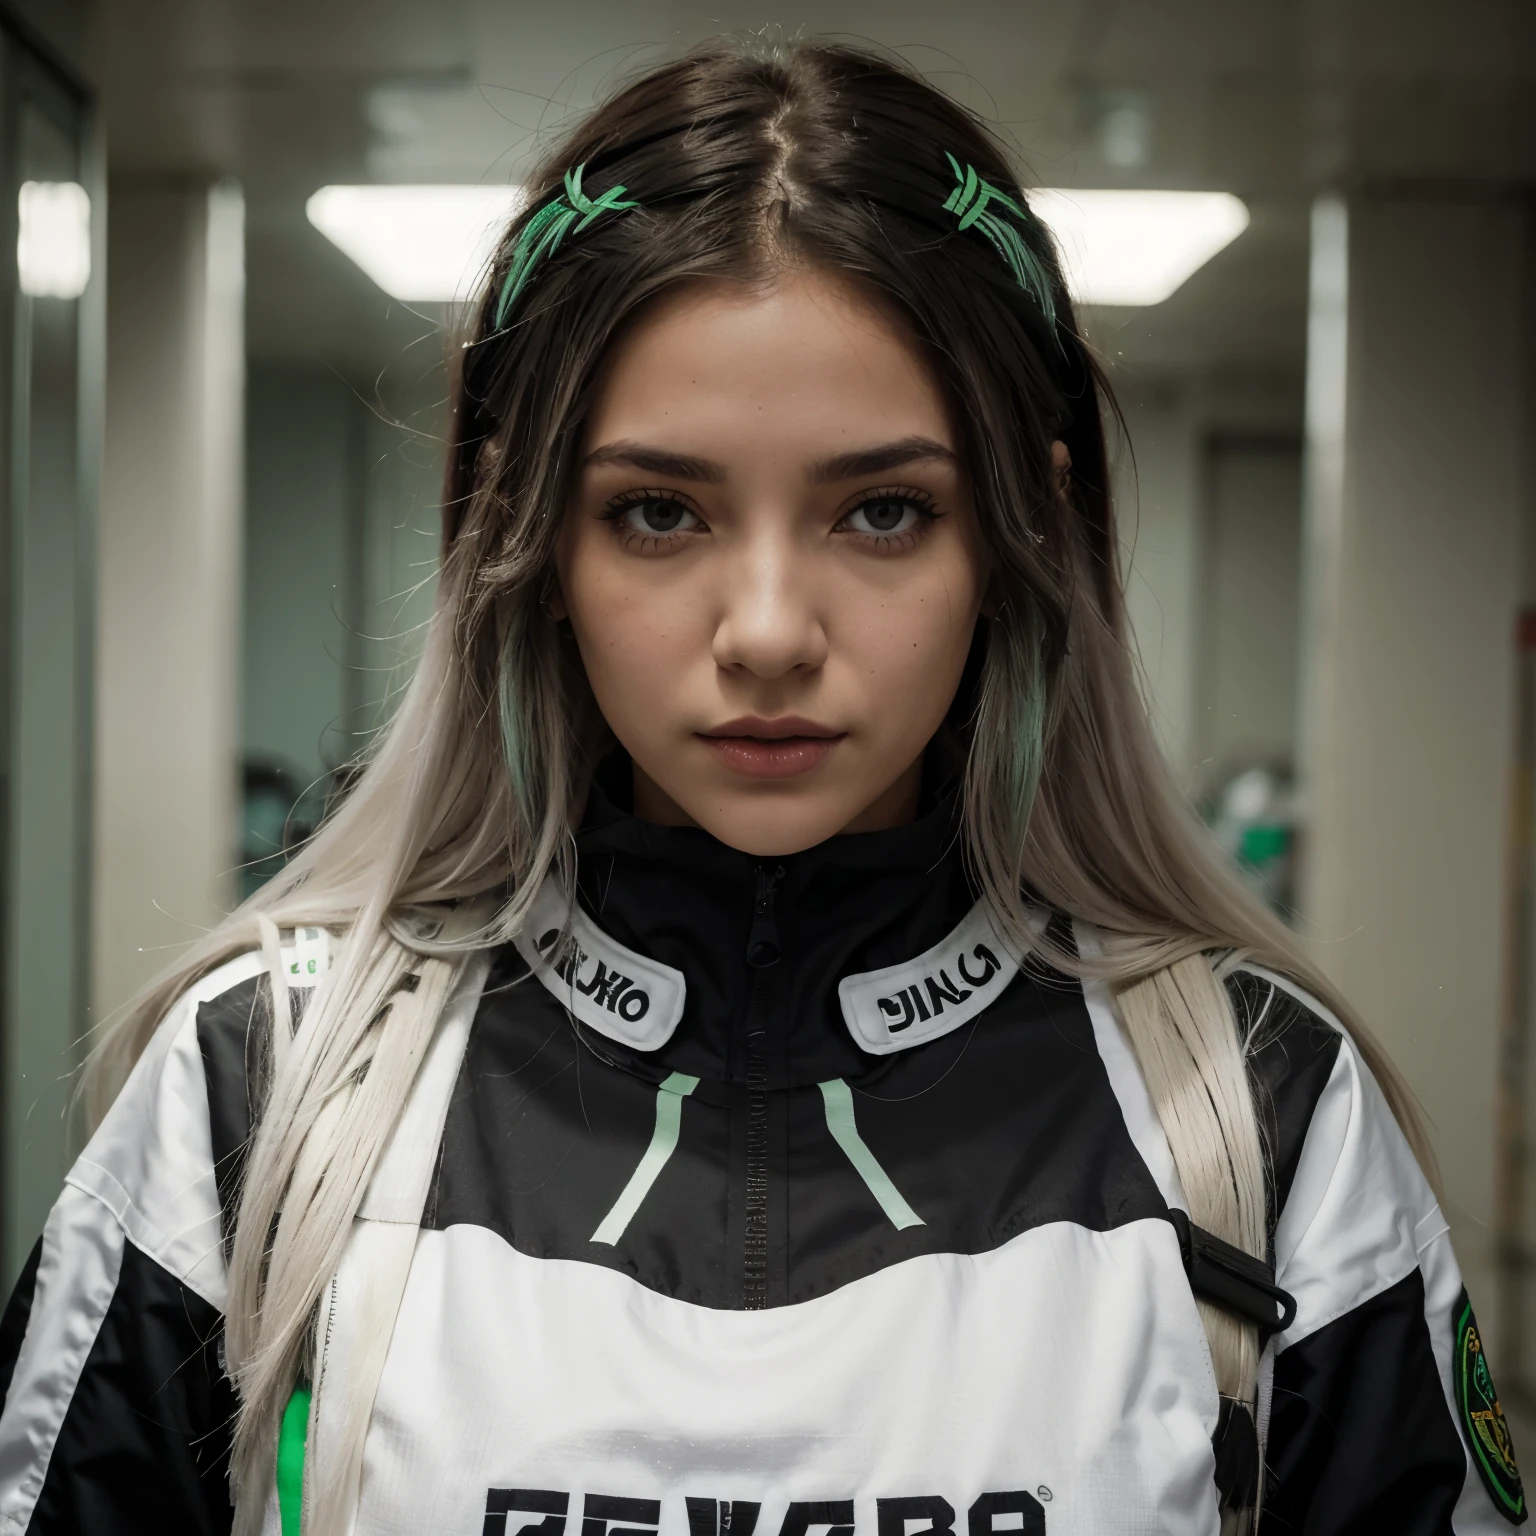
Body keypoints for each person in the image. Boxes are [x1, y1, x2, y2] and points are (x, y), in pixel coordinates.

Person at [0, 37, 1520, 1536]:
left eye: (881, 510)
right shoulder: (259, 1098)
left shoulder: (1262, 1116)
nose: (773, 632)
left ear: (1019, 535)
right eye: (660, 512)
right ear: (528, 542)